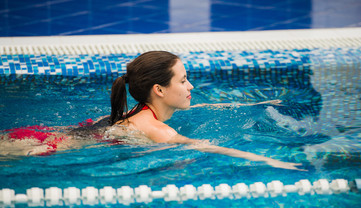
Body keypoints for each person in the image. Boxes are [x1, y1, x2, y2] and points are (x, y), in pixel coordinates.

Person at [1, 51, 304, 171]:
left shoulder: (140, 110)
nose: (191, 87)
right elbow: (211, 148)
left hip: (48, 135)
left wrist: (255, 105)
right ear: (159, 90)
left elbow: (207, 105)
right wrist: (270, 161)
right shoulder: (160, 130)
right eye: (183, 80)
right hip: (45, 147)